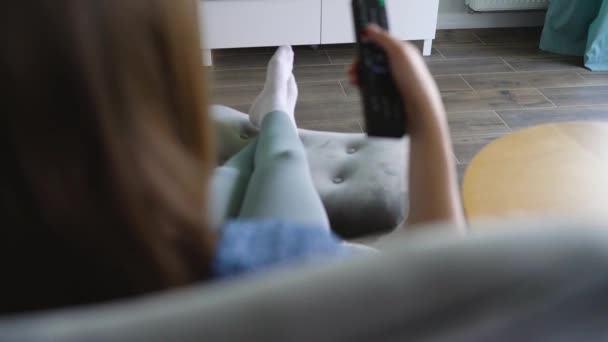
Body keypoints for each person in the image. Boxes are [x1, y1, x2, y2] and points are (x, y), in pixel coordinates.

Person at [0, 0, 463, 314]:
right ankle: (276, 115)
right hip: (273, 270)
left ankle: (274, 113)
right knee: (272, 178)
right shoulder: (251, 265)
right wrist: (426, 117)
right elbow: (443, 287)